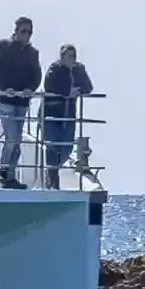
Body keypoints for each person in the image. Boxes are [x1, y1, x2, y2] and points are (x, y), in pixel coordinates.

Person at [0, 16, 41, 189]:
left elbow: (36, 75)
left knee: (16, 139)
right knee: (13, 136)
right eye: (23, 31)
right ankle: (3, 170)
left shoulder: (32, 53)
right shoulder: (2, 45)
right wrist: (4, 88)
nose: (26, 35)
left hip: (22, 101)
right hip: (4, 99)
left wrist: (30, 90)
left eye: (29, 32)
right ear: (16, 31)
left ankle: (9, 175)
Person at [39, 44, 94, 189]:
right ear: (61, 56)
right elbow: (49, 85)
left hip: (68, 114)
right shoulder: (55, 68)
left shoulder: (79, 69)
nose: (70, 59)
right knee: (52, 146)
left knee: (66, 148)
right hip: (51, 113)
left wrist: (78, 90)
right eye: (67, 56)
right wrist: (67, 91)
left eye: (73, 55)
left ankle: (52, 173)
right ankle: (52, 180)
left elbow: (88, 87)